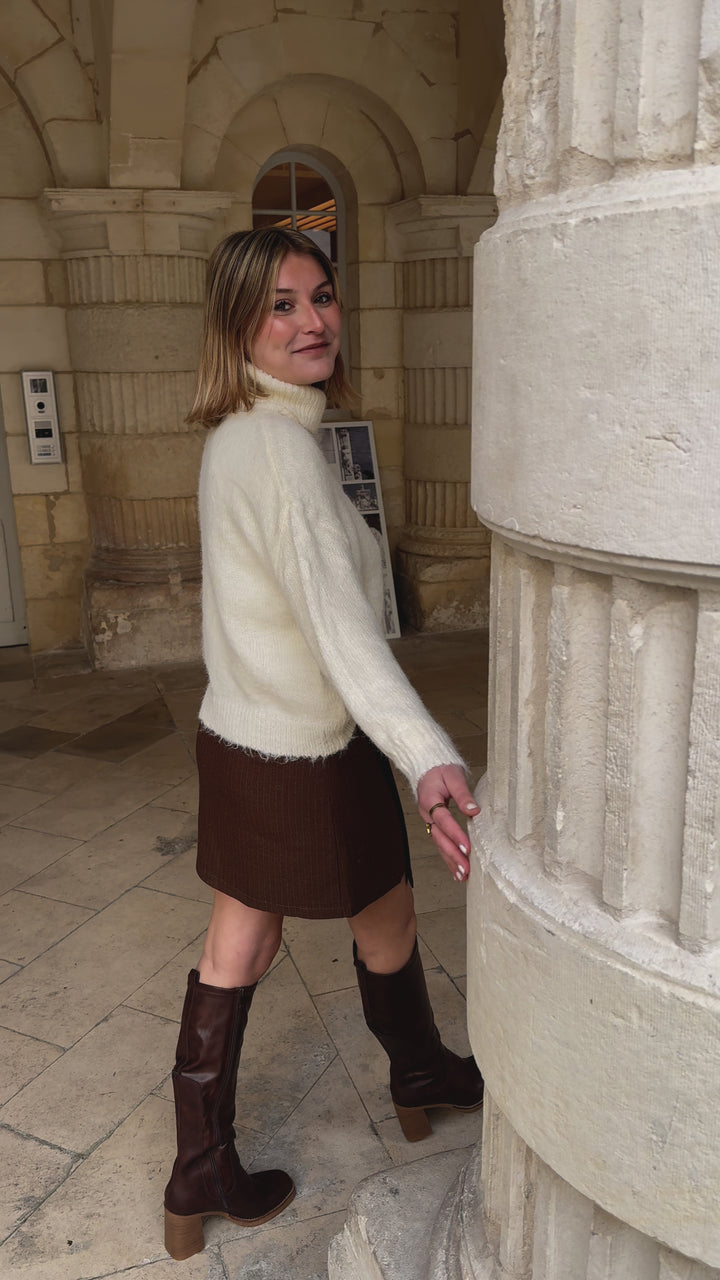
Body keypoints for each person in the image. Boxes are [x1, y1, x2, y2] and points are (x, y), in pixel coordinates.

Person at [163, 227, 483, 1262]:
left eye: (323, 295)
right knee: (284, 937)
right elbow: (341, 632)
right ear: (239, 326)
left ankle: (403, 1075)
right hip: (301, 749)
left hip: (253, 736)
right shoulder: (277, 450)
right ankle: (214, 1157)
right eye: (283, 305)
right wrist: (426, 752)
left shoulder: (247, 434)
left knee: (343, 914)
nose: (314, 321)